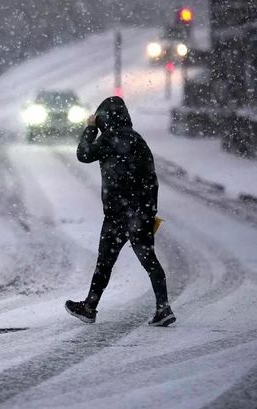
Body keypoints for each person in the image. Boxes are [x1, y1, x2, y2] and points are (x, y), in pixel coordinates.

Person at [65, 96, 175, 327]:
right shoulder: (138, 140)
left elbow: (83, 154)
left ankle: (90, 307)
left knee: (104, 262)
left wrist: (90, 129)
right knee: (150, 260)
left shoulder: (108, 140)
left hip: (117, 215)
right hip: (141, 213)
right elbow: (152, 179)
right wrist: (149, 212)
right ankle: (163, 308)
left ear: (104, 118)